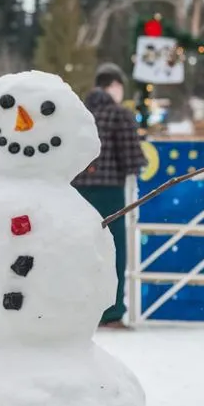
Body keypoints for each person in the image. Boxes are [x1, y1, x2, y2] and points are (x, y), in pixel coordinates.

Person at [73, 63, 146, 329]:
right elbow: (131, 160)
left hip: (75, 194)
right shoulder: (120, 115)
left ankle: (80, 311)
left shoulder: (78, 115)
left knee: (80, 253)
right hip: (110, 194)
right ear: (114, 85)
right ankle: (111, 311)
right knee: (112, 252)